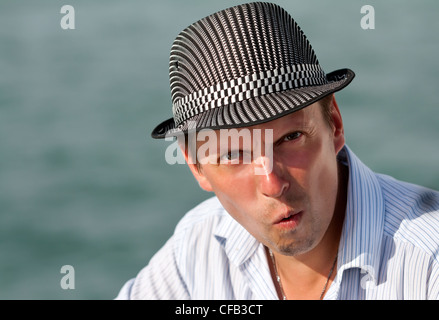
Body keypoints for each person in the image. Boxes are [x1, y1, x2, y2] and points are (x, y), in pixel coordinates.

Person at [116, 2, 439, 300]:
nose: (272, 183)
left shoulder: (429, 262)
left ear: (335, 125)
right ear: (197, 167)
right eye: (232, 156)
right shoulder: (197, 246)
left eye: (291, 137)